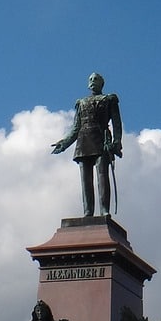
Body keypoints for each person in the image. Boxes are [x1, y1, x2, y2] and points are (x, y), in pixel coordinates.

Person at [50, 71, 123, 217]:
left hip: (102, 140)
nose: (93, 80)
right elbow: (76, 128)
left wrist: (116, 142)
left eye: (96, 79)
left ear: (102, 83)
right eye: (91, 79)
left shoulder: (109, 99)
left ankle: (104, 210)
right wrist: (64, 143)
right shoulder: (81, 103)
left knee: (102, 175)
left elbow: (116, 124)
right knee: (85, 179)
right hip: (83, 141)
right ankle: (88, 211)